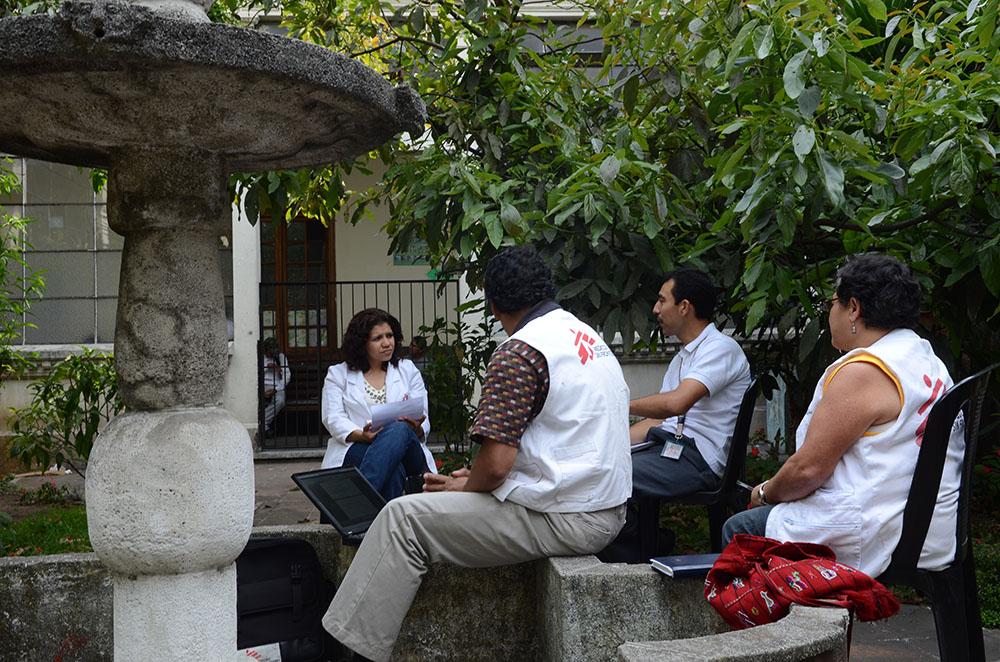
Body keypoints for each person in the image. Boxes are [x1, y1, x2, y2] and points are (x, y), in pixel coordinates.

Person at [322, 246, 632, 662]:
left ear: (494, 304)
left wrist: (472, 482)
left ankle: (344, 651)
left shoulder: (520, 351)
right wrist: (474, 479)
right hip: (603, 507)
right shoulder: (585, 337)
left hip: (568, 517)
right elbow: (557, 438)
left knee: (402, 518)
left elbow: (497, 465)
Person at [722, 253, 963, 577]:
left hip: (881, 533)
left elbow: (807, 471)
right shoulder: (922, 356)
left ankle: (783, 630)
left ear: (853, 308)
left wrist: (763, 492)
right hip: (932, 530)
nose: (829, 312)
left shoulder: (865, 370)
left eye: (830, 303)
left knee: (739, 529)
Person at [601, 268, 750, 562]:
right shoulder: (684, 357)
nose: (656, 309)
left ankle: (646, 546)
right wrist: (607, 443)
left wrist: (618, 404)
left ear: (684, 307)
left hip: (698, 460)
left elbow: (676, 404)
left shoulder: (721, 349)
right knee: (601, 463)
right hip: (671, 448)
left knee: (612, 475)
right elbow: (659, 422)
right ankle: (651, 542)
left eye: (661, 300)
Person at [320, 308, 434, 501]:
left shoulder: (408, 370)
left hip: (409, 447)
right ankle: (382, 526)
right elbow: (333, 418)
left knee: (398, 429)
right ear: (361, 343)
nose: (386, 343)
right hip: (357, 444)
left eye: (389, 336)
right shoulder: (338, 374)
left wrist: (416, 429)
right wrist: (363, 435)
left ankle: (359, 502)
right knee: (394, 470)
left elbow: (422, 415)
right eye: (377, 338)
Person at [261, 336, 291, 437]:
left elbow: (287, 375)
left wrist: (276, 389)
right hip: (262, 385)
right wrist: (266, 368)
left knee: (280, 400)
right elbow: (254, 374)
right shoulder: (259, 357)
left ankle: (262, 422)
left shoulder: (281, 357)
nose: (272, 354)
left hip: (277, 385)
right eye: (270, 351)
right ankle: (264, 425)